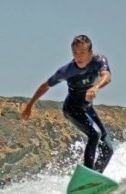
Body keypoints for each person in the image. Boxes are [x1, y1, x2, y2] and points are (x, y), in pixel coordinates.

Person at [21, 35, 113, 173]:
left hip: (87, 108)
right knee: (94, 135)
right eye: (75, 52)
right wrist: (29, 106)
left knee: (108, 149)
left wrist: (96, 87)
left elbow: (107, 76)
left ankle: (95, 178)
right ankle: (88, 174)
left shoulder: (99, 61)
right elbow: (46, 85)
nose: (78, 56)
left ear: (90, 52)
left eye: (82, 52)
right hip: (72, 108)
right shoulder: (67, 71)